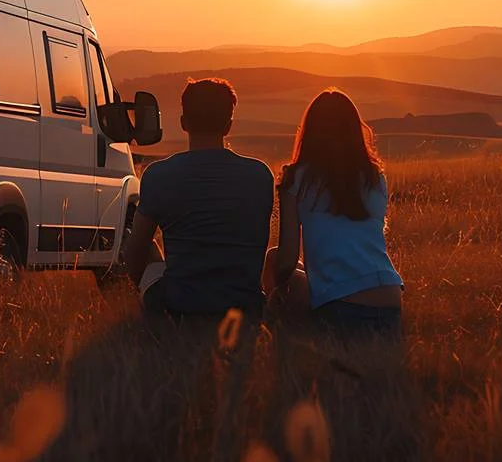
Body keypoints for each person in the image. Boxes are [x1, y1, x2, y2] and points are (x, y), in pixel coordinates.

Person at [119, 78, 275, 318]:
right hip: (246, 308)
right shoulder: (260, 175)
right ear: (228, 125)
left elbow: (136, 250)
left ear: (184, 123)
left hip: (180, 307)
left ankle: (153, 316)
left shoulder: (159, 175)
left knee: (142, 244)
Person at [264, 88, 403, 335]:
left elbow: (287, 258)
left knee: (274, 258)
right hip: (391, 300)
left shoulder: (296, 178)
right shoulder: (374, 177)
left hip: (341, 307)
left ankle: (275, 333)